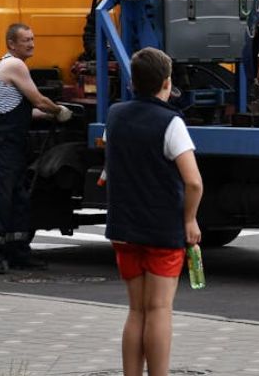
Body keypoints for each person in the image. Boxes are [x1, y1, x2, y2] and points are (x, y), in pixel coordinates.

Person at [103, 47, 203, 376]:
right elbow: (193, 183)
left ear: (133, 82)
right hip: (161, 230)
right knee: (159, 309)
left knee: (136, 311)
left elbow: (110, 162)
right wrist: (189, 219)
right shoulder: (171, 123)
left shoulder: (115, 115)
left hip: (123, 228)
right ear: (166, 82)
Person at [0, 23, 73, 274]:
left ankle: (18, 251)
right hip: (3, 143)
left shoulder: (8, 65)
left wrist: (46, 116)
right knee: (1, 197)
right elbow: (38, 100)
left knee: (18, 196)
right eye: (26, 40)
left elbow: (22, 109)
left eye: (33, 39)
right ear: (12, 44)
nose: (32, 44)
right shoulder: (14, 65)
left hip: (9, 142)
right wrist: (59, 111)